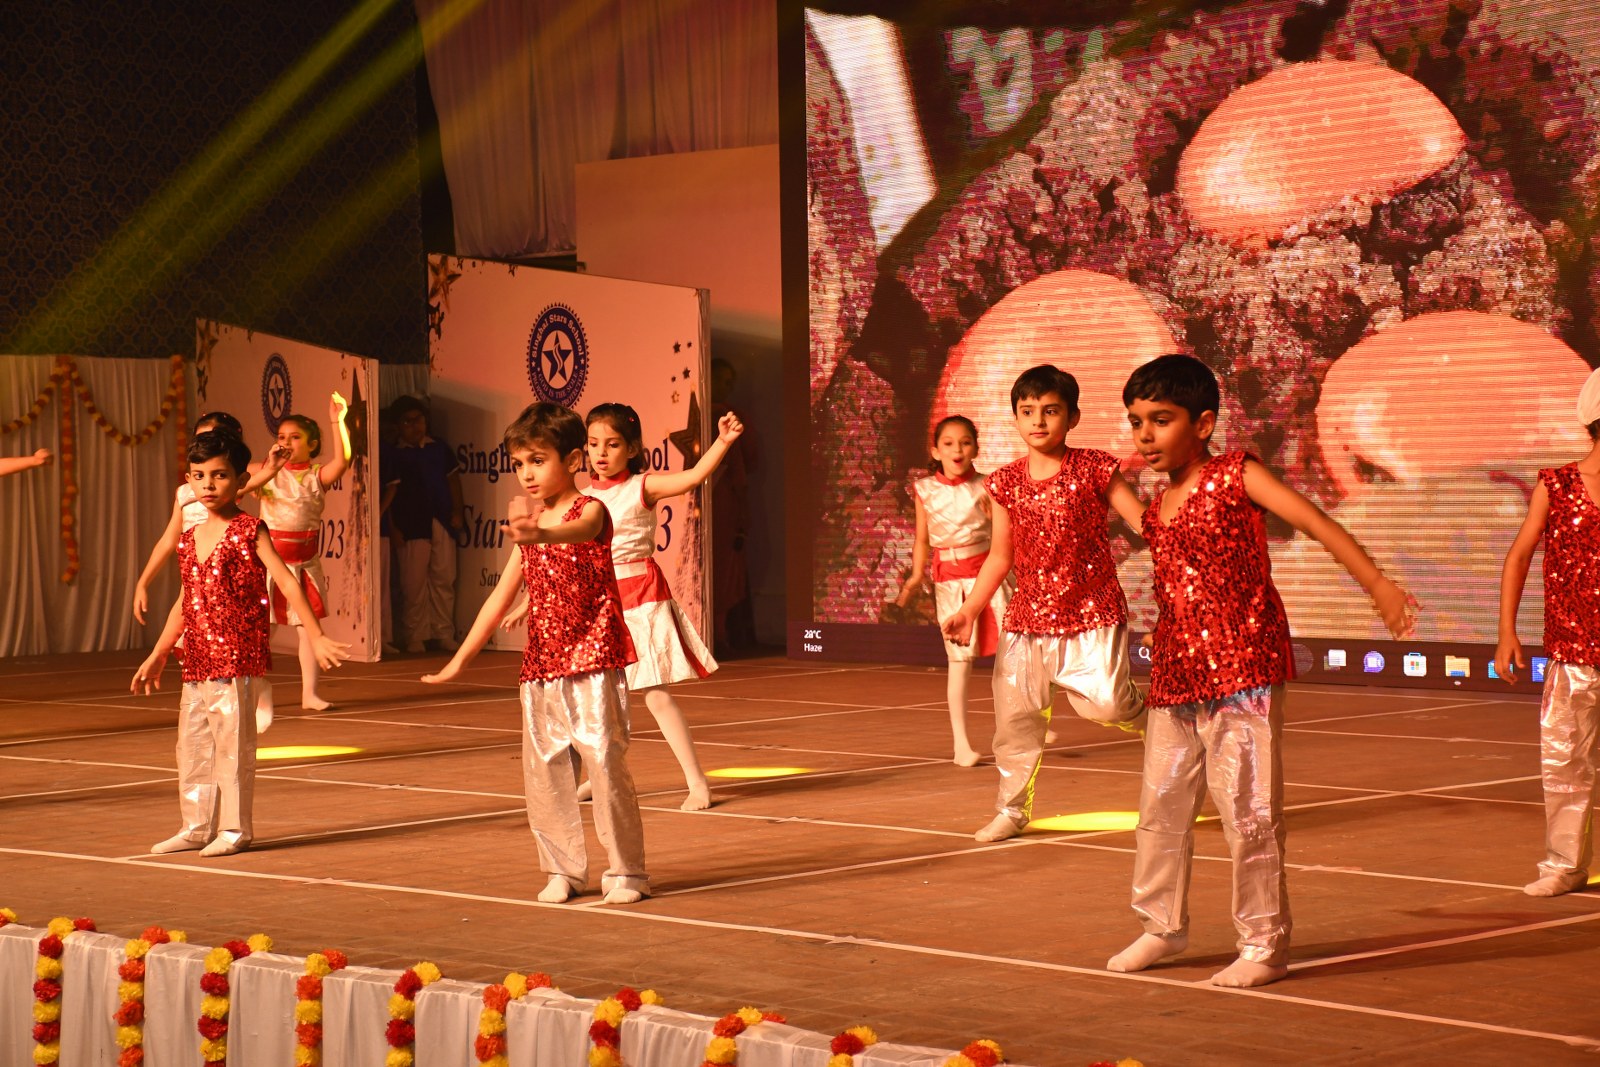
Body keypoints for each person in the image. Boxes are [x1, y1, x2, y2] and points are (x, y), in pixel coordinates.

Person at [1107, 354, 1415, 988]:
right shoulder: (1159, 506)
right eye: (1136, 422)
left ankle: (1263, 943)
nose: (1145, 435)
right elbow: (1160, 558)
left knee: (1248, 810)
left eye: (1160, 420)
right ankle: (1161, 926)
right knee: (1161, 807)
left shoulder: (1236, 475)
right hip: (1176, 670)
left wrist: (1378, 584)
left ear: (1203, 423)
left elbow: (1315, 521)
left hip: (1242, 664)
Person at [423, 402, 648, 905]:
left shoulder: (589, 509)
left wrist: (540, 533)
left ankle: (627, 871)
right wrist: (459, 661)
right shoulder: (531, 528)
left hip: (593, 659)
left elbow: (579, 531)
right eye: (519, 463)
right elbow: (498, 599)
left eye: (538, 461)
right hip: (542, 664)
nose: (526, 473)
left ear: (573, 460)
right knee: (545, 770)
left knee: (604, 763)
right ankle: (562, 868)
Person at [942, 365, 1148, 843]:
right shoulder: (1005, 482)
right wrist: (970, 609)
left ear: (1072, 417)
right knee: (1016, 723)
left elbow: (1144, 522)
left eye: (1051, 411)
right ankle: (1012, 811)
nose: (1038, 421)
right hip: (1027, 618)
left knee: (1108, 705)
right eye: (1027, 411)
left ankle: (1153, 716)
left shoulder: (1095, 467)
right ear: (1015, 417)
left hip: (1093, 611)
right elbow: (1000, 556)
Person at [130, 431, 349, 858]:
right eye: (199, 476)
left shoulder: (250, 529)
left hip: (235, 655)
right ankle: (195, 826)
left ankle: (234, 829)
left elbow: (287, 580)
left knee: (232, 746)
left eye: (219, 475)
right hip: (197, 656)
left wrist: (316, 633)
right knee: (192, 745)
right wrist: (159, 652)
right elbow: (185, 600)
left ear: (241, 480)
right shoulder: (189, 538)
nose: (208, 485)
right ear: (188, 481)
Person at [1493, 366, 1600, 899]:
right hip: (1574, 652)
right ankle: (1565, 864)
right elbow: (1519, 556)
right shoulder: (1556, 484)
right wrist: (1506, 632)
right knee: (1567, 763)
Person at [132, 411, 284, 730]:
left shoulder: (222, 484)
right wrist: (143, 581)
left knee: (227, 652)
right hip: (195, 577)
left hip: (226, 576)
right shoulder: (187, 492)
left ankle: (253, 688)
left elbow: (252, 479)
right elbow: (168, 538)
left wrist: (271, 467)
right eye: (201, 438)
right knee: (192, 648)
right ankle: (210, 716)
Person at [897, 415, 1014, 767]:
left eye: (965, 442)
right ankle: (961, 744)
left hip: (989, 576)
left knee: (1012, 655)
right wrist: (915, 576)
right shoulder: (925, 490)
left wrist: (994, 517)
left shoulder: (989, 486)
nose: (957, 450)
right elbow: (922, 539)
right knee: (959, 661)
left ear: (976, 447)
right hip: (949, 582)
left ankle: (1022, 725)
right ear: (935, 450)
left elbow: (1007, 536)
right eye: (948, 443)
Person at [255, 394, 351, 711]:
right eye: (282, 437)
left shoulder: (316, 476)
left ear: (312, 445)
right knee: (261, 630)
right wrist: (268, 466)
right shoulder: (265, 472)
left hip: (304, 564)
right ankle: (250, 692)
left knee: (308, 630)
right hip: (268, 565)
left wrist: (338, 421)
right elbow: (234, 471)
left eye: (295, 437)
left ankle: (309, 693)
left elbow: (343, 461)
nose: (286, 442)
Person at [388, 395, 464, 653]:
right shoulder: (395, 454)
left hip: (441, 520)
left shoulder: (439, 448)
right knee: (413, 584)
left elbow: (453, 481)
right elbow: (388, 494)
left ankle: (443, 632)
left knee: (444, 578)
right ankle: (415, 635)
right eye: (407, 422)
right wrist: (393, 528)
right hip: (409, 526)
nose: (414, 426)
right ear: (398, 425)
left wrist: (458, 511)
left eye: (418, 420)